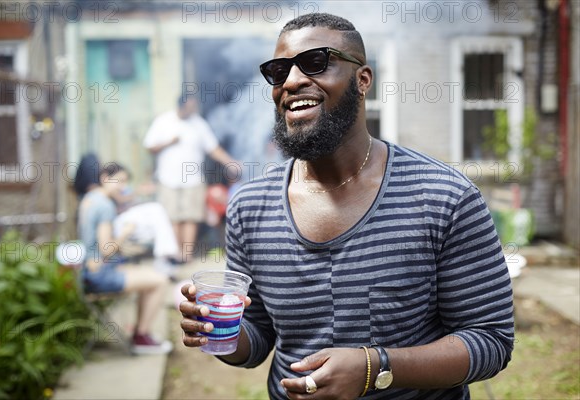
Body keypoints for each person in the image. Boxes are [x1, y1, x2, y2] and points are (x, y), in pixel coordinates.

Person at [179, 13, 514, 399]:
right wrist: (221, 331)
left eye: (315, 62)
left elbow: (491, 340)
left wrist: (375, 367)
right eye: (279, 70)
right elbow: (257, 338)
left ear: (363, 79)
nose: (291, 81)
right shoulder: (250, 208)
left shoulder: (443, 197)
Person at [77, 162, 172, 355]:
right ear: (104, 178)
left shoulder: (90, 198)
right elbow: (106, 249)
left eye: (125, 182)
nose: (122, 186)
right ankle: (141, 336)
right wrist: (125, 233)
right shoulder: (105, 206)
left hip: (88, 270)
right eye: (118, 181)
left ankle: (140, 332)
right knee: (161, 281)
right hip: (100, 275)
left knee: (150, 275)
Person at [143, 93, 236, 263]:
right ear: (182, 105)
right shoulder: (164, 121)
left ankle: (186, 255)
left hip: (193, 179)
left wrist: (230, 162)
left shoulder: (198, 124)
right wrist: (169, 143)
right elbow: (149, 146)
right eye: (191, 106)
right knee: (172, 217)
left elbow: (212, 148)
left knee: (191, 216)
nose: (194, 109)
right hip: (167, 178)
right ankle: (175, 253)